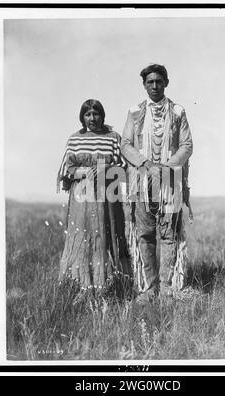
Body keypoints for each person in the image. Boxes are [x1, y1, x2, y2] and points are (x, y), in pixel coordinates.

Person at [121, 64, 193, 302]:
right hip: (142, 183)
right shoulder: (135, 112)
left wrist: (166, 166)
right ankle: (149, 288)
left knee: (169, 235)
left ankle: (166, 288)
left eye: (159, 81)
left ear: (166, 83)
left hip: (169, 183)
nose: (154, 86)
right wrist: (145, 164)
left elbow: (186, 145)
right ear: (144, 85)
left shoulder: (178, 111)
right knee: (145, 234)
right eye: (150, 82)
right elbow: (126, 145)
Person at [57, 99, 132, 300]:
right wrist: (85, 172)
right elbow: (67, 169)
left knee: (108, 233)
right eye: (88, 114)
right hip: (82, 196)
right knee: (84, 235)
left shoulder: (113, 138)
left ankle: (112, 284)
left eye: (96, 114)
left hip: (108, 195)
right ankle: (82, 284)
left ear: (102, 115)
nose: (92, 118)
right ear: (82, 117)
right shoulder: (75, 139)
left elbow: (124, 165)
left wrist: (104, 169)